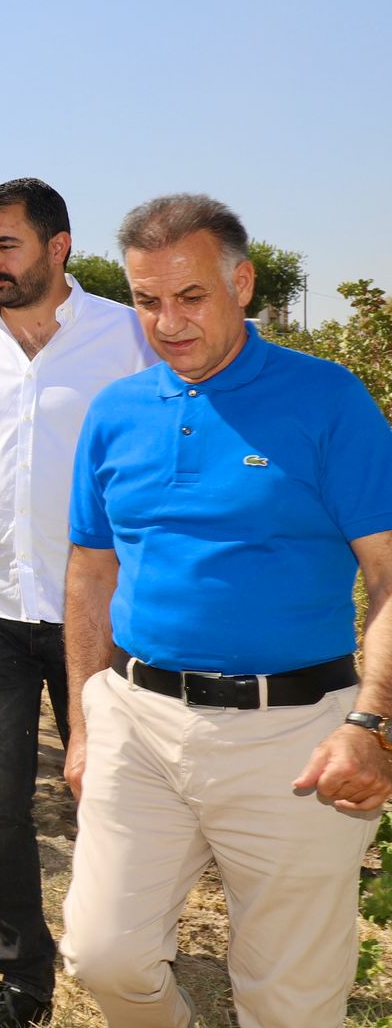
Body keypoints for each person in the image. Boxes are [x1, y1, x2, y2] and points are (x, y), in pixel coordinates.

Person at [59, 194, 392, 1027]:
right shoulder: (115, 412)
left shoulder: (328, 401)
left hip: (294, 736)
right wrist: (83, 716)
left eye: (191, 296)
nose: (166, 322)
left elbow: (389, 577)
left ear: (241, 284)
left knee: (290, 1002)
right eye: (146, 300)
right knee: (105, 956)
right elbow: (89, 572)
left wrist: (372, 724)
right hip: (136, 719)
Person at [0, 178, 157, 1028]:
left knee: (112, 787)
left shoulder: (124, 334)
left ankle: (121, 949)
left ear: (58, 247)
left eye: (5, 245)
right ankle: (22, 981)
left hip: (102, 610)